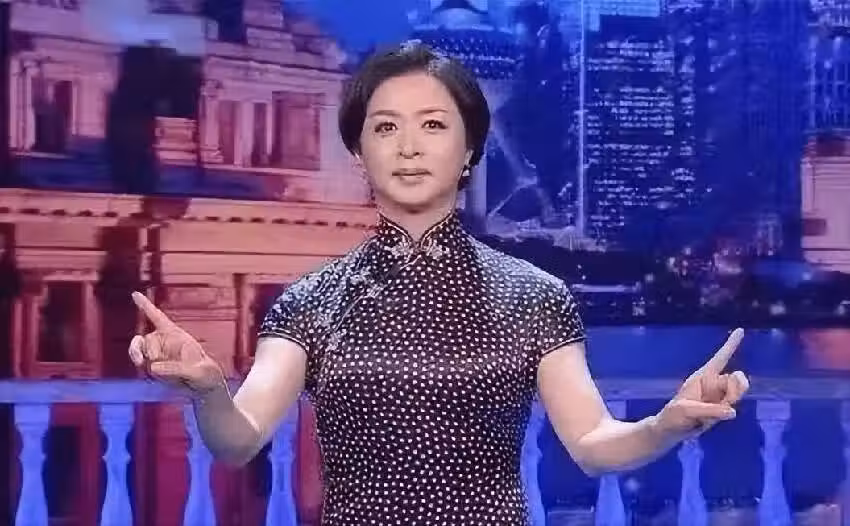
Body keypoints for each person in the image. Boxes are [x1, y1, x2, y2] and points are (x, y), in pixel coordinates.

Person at [127, 41, 750, 525]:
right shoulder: (311, 300)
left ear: (470, 149)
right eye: (385, 127)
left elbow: (590, 442)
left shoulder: (533, 295)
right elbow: (238, 442)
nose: (408, 148)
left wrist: (667, 424)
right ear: (358, 153)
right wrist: (209, 391)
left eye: (432, 125)